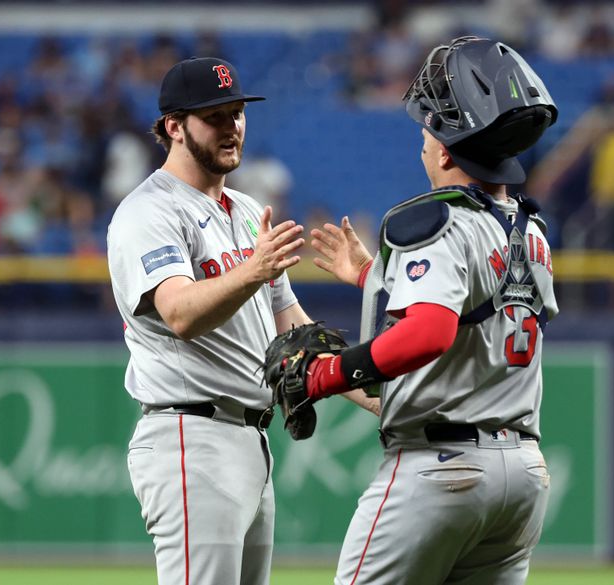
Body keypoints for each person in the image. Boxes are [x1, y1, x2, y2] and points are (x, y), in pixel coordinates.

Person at [106, 56, 377, 585]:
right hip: (189, 435)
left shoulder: (249, 211)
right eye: (215, 116)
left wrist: (379, 398)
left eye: (237, 113)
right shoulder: (149, 212)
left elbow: (293, 334)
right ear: (174, 127)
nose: (232, 126)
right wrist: (253, 270)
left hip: (252, 439)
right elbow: (179, 313)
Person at [305, 36, 559, 584]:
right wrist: (376, 278)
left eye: (427, 135)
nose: (423, 144)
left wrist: (326, 374)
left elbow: (430, 334)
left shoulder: (430, 221)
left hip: (442, 468)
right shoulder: (530, 229)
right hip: (523, 471)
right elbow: (481, 317)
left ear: (445, 151)